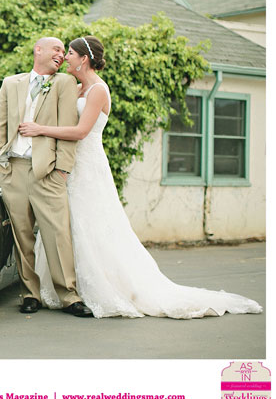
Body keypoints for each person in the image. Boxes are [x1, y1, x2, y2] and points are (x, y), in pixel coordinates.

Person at [19, 36, 263, 318]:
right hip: (70, 166)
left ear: (83, 58)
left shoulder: (98, 90)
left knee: (92, 226)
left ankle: (101, 288)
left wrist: (39, 129)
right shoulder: (75, 88)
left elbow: (81, 131)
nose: (66, 57)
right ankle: (66, 288)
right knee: (66, 225)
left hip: (89, 166)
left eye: (70, 53)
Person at [0, 37, 93, 317]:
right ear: (39, 50)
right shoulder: (11, 83)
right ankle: (29, 294)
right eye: (57, 49)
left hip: (48, 172)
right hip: (14, 170)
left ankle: (69, 295)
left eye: (64, 51)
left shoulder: (64, 83)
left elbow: (69, 127)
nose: (61, 55)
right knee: (21, 236)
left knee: (58, 234)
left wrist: (62, 170)